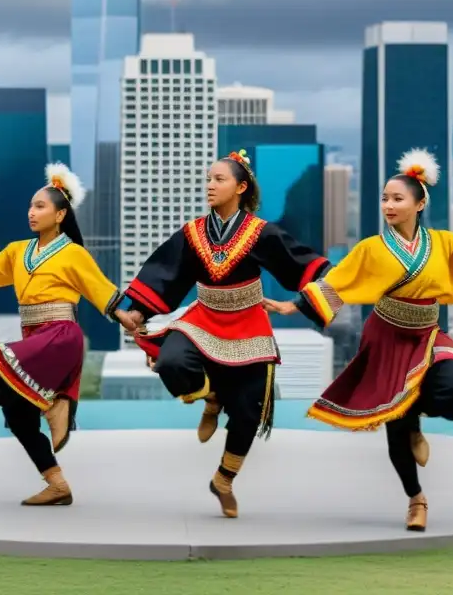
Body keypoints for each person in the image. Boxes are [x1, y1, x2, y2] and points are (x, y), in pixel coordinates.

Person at [264, 148, 453, 532]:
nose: (389, 205)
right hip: (387, 336)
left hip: (428, 332)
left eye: (397, 198)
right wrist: (292, 308)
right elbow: (337, 283)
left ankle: (414, 417)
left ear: (419, 203)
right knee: (395, 421)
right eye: (384, 198)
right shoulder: (371, 249)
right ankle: (416, 499)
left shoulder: (445, 244)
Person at [0, 163, 140, 507]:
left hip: (60, 337)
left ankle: (52, 403)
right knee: (18, 415)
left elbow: (99, 289)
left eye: (40, 206)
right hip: (33, 338)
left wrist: (127, 318)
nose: (31, 212)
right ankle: (57, 483)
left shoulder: (73, 253)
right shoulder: (18, 252)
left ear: (60, 214)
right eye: (31, 206)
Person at [119, 149, 331, 519]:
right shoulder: (192, 233)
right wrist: (137, 312)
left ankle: (224, 480)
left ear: (241, 186)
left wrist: (302, 303)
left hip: (249, 322)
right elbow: (166, 274)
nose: (210, 186)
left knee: (250, 410)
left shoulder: (262, 233)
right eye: (208, 179)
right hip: (203, 318)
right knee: (171, 362)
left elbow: (304, 266)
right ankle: (213, 397)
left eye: (219, 179)